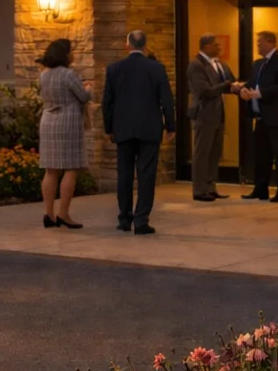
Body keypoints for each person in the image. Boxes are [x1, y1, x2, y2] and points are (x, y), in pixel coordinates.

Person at [101, 30, 176, 234]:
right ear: (145, 46)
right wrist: (170, 126)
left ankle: (124, 218)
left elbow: (107, 102)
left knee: (124, 174)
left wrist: (109, 128)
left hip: (123, 128)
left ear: (127, 46)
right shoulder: (156, 69)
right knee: (146, 174)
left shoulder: (114, 69)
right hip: (149, 128)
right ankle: (141, 219)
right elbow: (167, 100)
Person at [240, 30, 278, 202]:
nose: (257, 45)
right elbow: (252, 83)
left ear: (271, 42)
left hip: (277, 116)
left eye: (260, 42)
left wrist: (261, 93)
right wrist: (244, 89)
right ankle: (260, 188)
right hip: (261, 116)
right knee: (261, 154)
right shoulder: (258, 64)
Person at [37, 38, 90, 227]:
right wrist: (89, 89)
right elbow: (82, 96)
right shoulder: (68, 74)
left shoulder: (44, 75)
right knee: (70, 168)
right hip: (68, 121)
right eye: (71, 50)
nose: (73, 53)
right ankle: (63, 213)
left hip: (48, 121)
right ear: (64, 54)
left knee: (50, 170)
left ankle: (48, 214)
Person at [185, 33, 241, 202]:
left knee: (214, 152)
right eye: (216, 45)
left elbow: (231, 81)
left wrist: (239, 87)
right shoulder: (196, 65)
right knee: (202, 152)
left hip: (218, 114)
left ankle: (210, 186)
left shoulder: (219, 64)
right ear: (207, 46)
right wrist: (227, 85)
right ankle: (200, 189)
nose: (220, 48)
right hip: (204, 114)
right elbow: (203, 91)